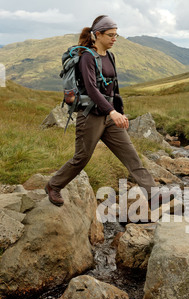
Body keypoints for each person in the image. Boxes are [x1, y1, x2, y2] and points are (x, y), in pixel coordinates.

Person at [45, 15, 157, 208]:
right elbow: (91, 89)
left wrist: (119, 112)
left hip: (110, 116)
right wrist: (112, 112)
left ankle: (154, 194)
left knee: (131, 157)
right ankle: (53, 186)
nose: (114, 39)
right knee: (81, 158)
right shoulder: (87, 57)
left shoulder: (110, 56)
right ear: (98, 34)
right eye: (110, 35)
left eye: (116, 35)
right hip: (90, 116)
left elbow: (114, 88)